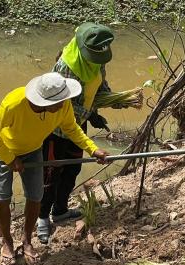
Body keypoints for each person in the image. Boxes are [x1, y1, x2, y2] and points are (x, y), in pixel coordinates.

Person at [0, 72, 108, 265]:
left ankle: (26, 241)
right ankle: (7, 242)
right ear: (43, 102)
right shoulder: (14, 105)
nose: (63, 105)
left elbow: (72, 128)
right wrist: (9, 158)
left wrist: (92, 149)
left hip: (33, 149)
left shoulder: (62, 105)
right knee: (2, 197)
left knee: (35, 196)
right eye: (58, 102)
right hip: (3, 150)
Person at [37, 23, 121, 243]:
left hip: (78, 125)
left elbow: (100, 87)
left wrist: (111, 102)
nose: (98, 61)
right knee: (51, 174)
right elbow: (60, 103)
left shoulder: (97, 61)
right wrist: (90, 113)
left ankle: (61, 209)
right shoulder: (66, 66)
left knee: (73, 168)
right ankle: (42, 217)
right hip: (57, 129)